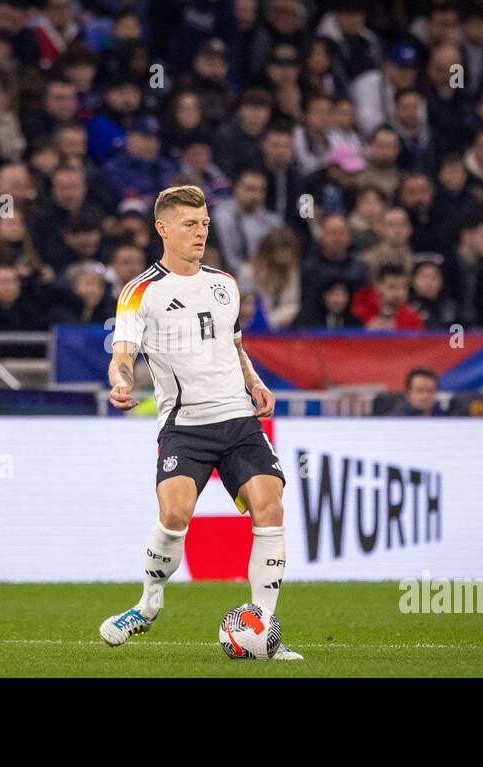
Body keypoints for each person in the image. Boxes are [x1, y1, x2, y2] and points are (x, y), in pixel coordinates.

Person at [99, 185, 302, 660]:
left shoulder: (226, 283)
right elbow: (123, 354)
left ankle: (263, 628)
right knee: (174, 515)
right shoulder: (140, 291)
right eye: (189, 224)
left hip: (237, 418)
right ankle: (147, 607)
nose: (200, 232)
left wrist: (255, 382)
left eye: (205, 223)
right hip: (184, 425)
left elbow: (234, 345)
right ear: (162, 228)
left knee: (270, 506)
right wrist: (121, 382)